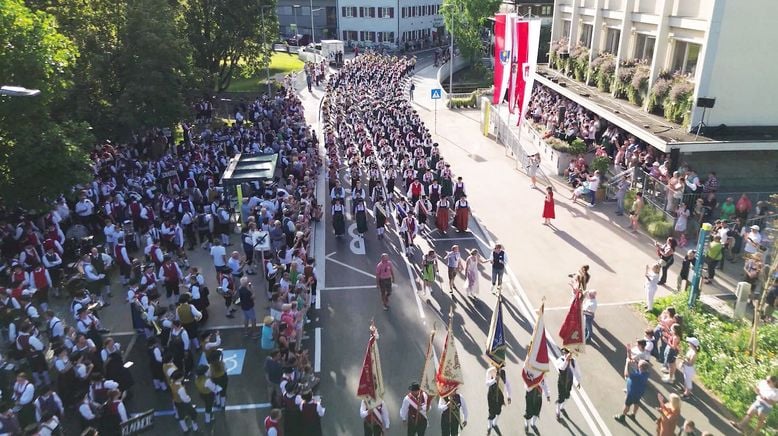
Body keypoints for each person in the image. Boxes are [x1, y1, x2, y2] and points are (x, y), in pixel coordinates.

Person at [614, 359, 650, 423]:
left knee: (627, 405)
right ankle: (633, 415)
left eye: (638, 363)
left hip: (631, 394)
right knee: (636, 403)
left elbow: (626, 374)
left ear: (640, 367)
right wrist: (636, 363)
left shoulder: (637, 376)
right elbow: (640, 368)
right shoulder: (646, 373)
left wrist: (627, 364)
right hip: (639, 393)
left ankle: (622, 416)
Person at [555, 348, 581, 420]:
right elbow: (562, 368)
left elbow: (577, 372)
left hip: (569, 382)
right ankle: (558, 411)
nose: (569, 355)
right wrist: (566, 360)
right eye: (567, 353)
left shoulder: (573, 361)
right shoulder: (560, 360)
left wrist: (578, 381)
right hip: (562, 382)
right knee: (561, 397)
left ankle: (562, 407)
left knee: (567, 396)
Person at [485, 365, 511, 435]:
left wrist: (509, 396)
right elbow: (487, 383)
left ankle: (494, 423)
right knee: (491, 412)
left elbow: (508, 385)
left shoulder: (503, 373)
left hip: (500, 396)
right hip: (491, 395)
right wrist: (494, 380)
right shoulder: (490, 371)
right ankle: (489, 427)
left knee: (498, 411)